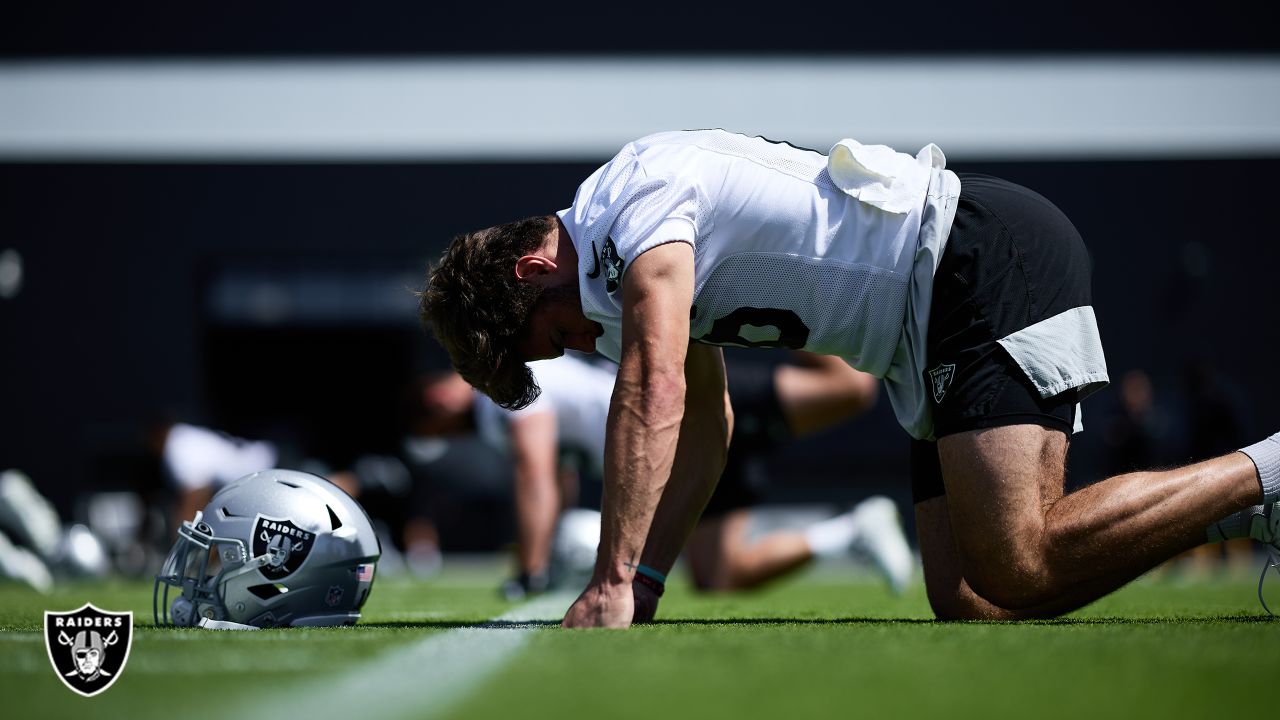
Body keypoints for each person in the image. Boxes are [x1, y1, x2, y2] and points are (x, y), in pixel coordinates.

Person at [420, 129, 1279, 627]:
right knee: (974, 602)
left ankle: (1268, 468)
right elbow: (707, 425)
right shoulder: (616, 263)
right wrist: (644, 584)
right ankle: (1244, 511)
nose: (572, 347)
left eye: (549, 337)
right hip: (917, 331)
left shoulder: (632, 205)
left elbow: (656, 394)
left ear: (534, 268)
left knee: (1019, 561)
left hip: (974, 263)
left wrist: (607, 582)